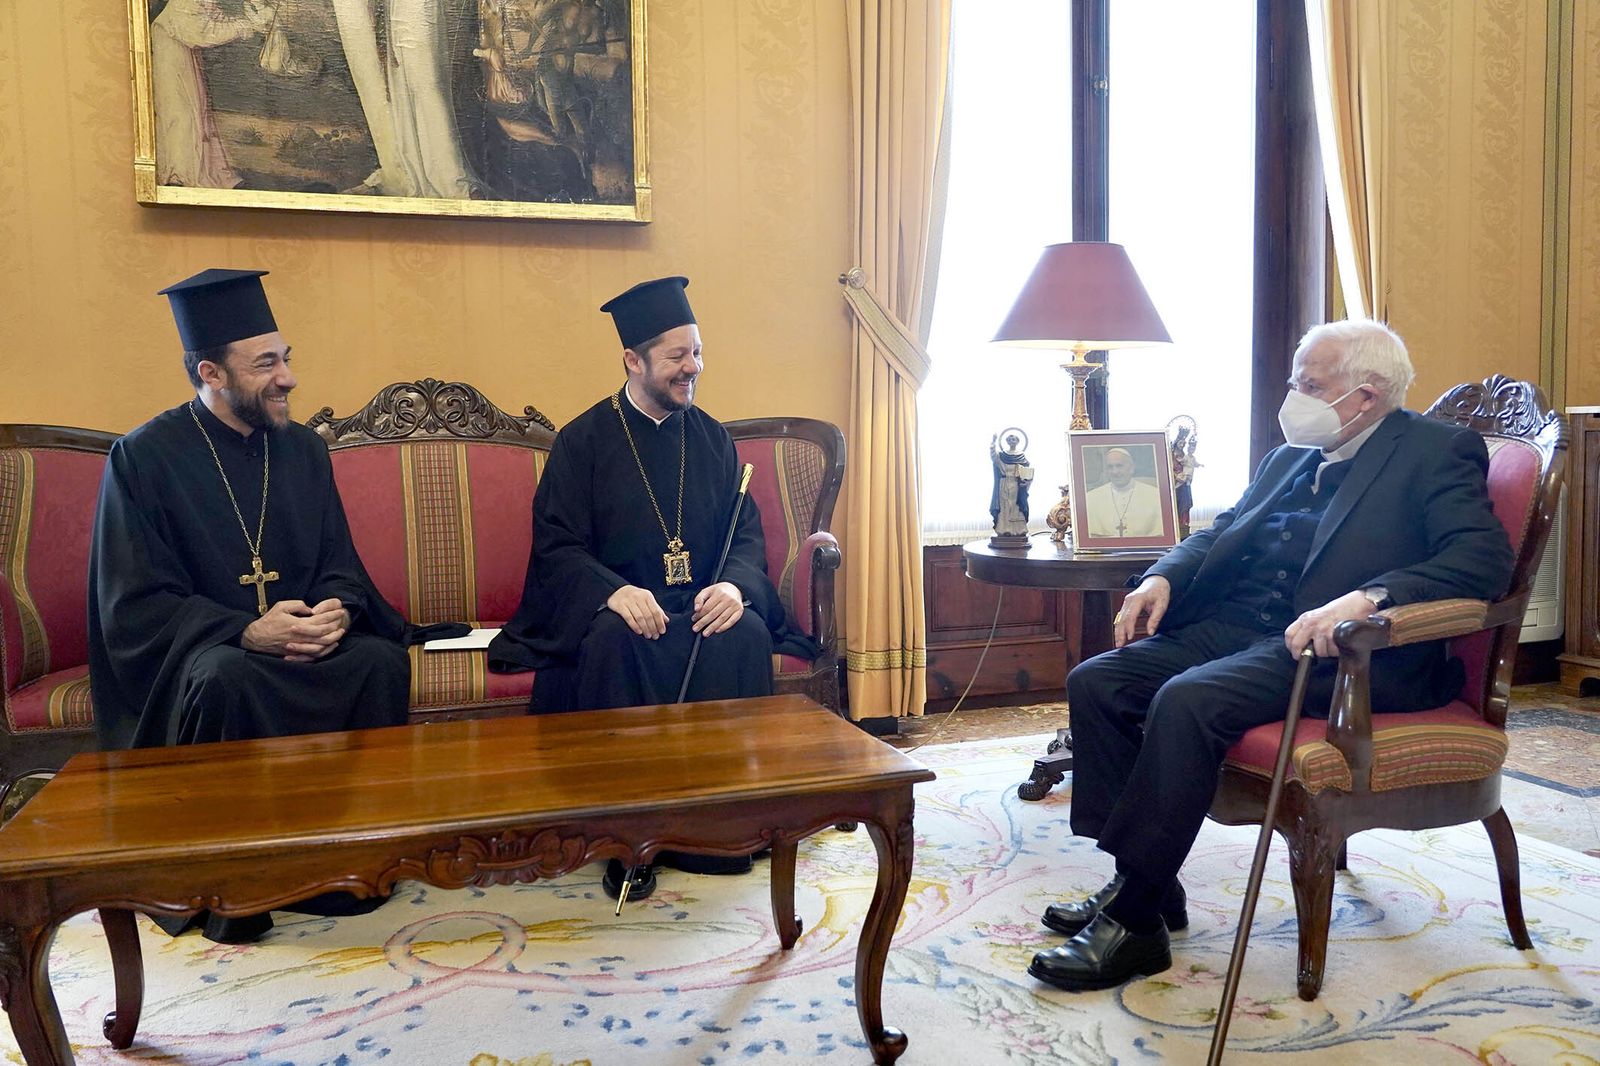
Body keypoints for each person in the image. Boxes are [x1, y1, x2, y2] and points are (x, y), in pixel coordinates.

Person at [1028, 320, 1514, 992]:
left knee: (1187, 701)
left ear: (1367, 395)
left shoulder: (1435, 451)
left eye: (1310, 385)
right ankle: (1146, 884)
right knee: (1099, 682)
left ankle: (1135, 923)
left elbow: (1482, 561)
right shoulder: (1291, 455)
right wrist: (1163, 575)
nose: (1294, 397)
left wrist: (1369, 597)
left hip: (1337, 653)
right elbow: (1226, 531)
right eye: (1295, 381)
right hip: (1237, 626)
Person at [88, 268, 413, 942]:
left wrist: (338, 609)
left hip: (301, 644)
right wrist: (245, 631)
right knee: (224, 676)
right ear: (210, 372)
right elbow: (134, 602)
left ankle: (349, 869)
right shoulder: (143, 458)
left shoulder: (303, 450)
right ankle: (233, 888)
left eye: (285, 358)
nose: (288, 378)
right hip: (210, 653)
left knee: (378, 662)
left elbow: (338, 561)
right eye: (266, 364)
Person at [489, 275, 816, 899]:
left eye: (698, 353)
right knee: (614, 641)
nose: (693, 368)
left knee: (743, 633)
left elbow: (746, 534)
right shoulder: (584, 442)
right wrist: (611, 592)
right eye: (677, 356)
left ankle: (723, 830)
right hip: (623, 610)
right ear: (633, 361)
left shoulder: (712, 439)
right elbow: (557, 545)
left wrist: (736, 588)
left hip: (702, 602)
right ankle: (625, 839)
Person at [1082, 446, 1164, 538]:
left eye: (1119, 466)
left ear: (1131, 468)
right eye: (1110, 467)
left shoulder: (1154, 495)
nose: (1115, 472)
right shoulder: (1091, 498)